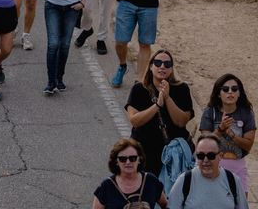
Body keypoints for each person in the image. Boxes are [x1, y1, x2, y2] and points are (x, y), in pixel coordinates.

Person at [125, 49, 194, 177]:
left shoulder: (182, 89)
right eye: (158, 63)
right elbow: (135, 120)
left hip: (173, 155)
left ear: (171, 69)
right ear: (151, 66)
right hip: (144, 152)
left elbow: (181, 121)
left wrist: (167, 98)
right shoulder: (139, 89)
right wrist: (157, 105)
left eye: (167, 64)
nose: (162, 66)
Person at [199, 74, 255, 192]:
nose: (230, 92)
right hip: (212, 166)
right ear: (219, 94)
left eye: (234, 89)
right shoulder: (210, 112)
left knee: (241, 204)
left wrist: (231, 134)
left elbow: (248, 145)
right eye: (225, 89)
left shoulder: (246, 113)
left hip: (238, 167)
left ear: (239, 93)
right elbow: (204, 143)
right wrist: (220, 129)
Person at [168, 133, 248, 209]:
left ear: (220, 156)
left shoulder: (233, 181)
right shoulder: (184, 180)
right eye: (201, 156)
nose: (205, 160)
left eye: (211, 156)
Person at [91, 138, 167, 209]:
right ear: (116, 162)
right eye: (122, 159)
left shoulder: (151, 181)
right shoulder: (106, 187)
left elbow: (166, 205)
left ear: (139, 159)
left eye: (132, 158)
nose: (128, 162)